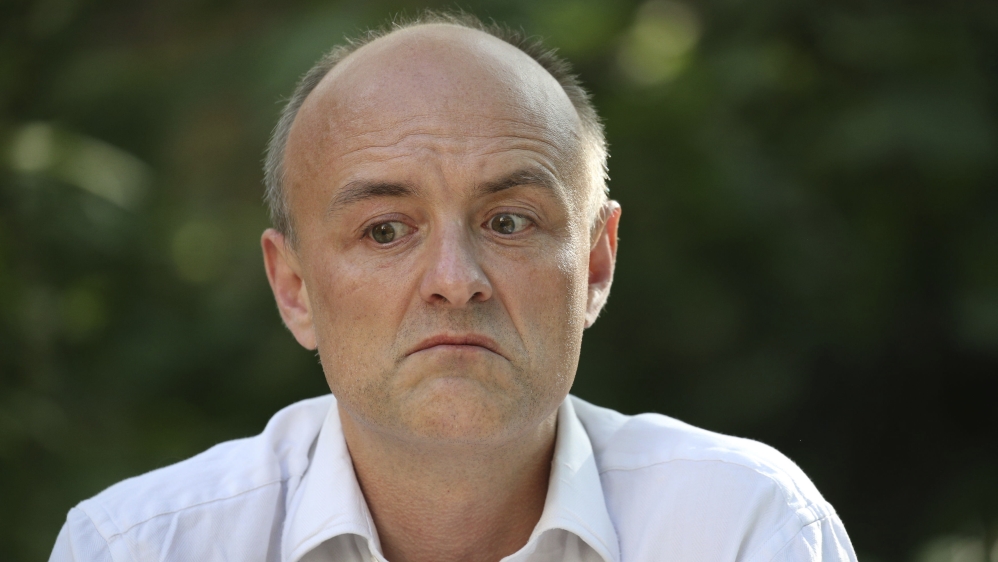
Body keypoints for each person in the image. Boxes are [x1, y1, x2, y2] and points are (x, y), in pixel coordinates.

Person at [49, 11, 857, 562]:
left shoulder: (742, 529)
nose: (454, 282)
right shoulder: (139, 547)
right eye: (386, 230)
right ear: (295, 289)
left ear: (597, 265)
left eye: (509, 222)